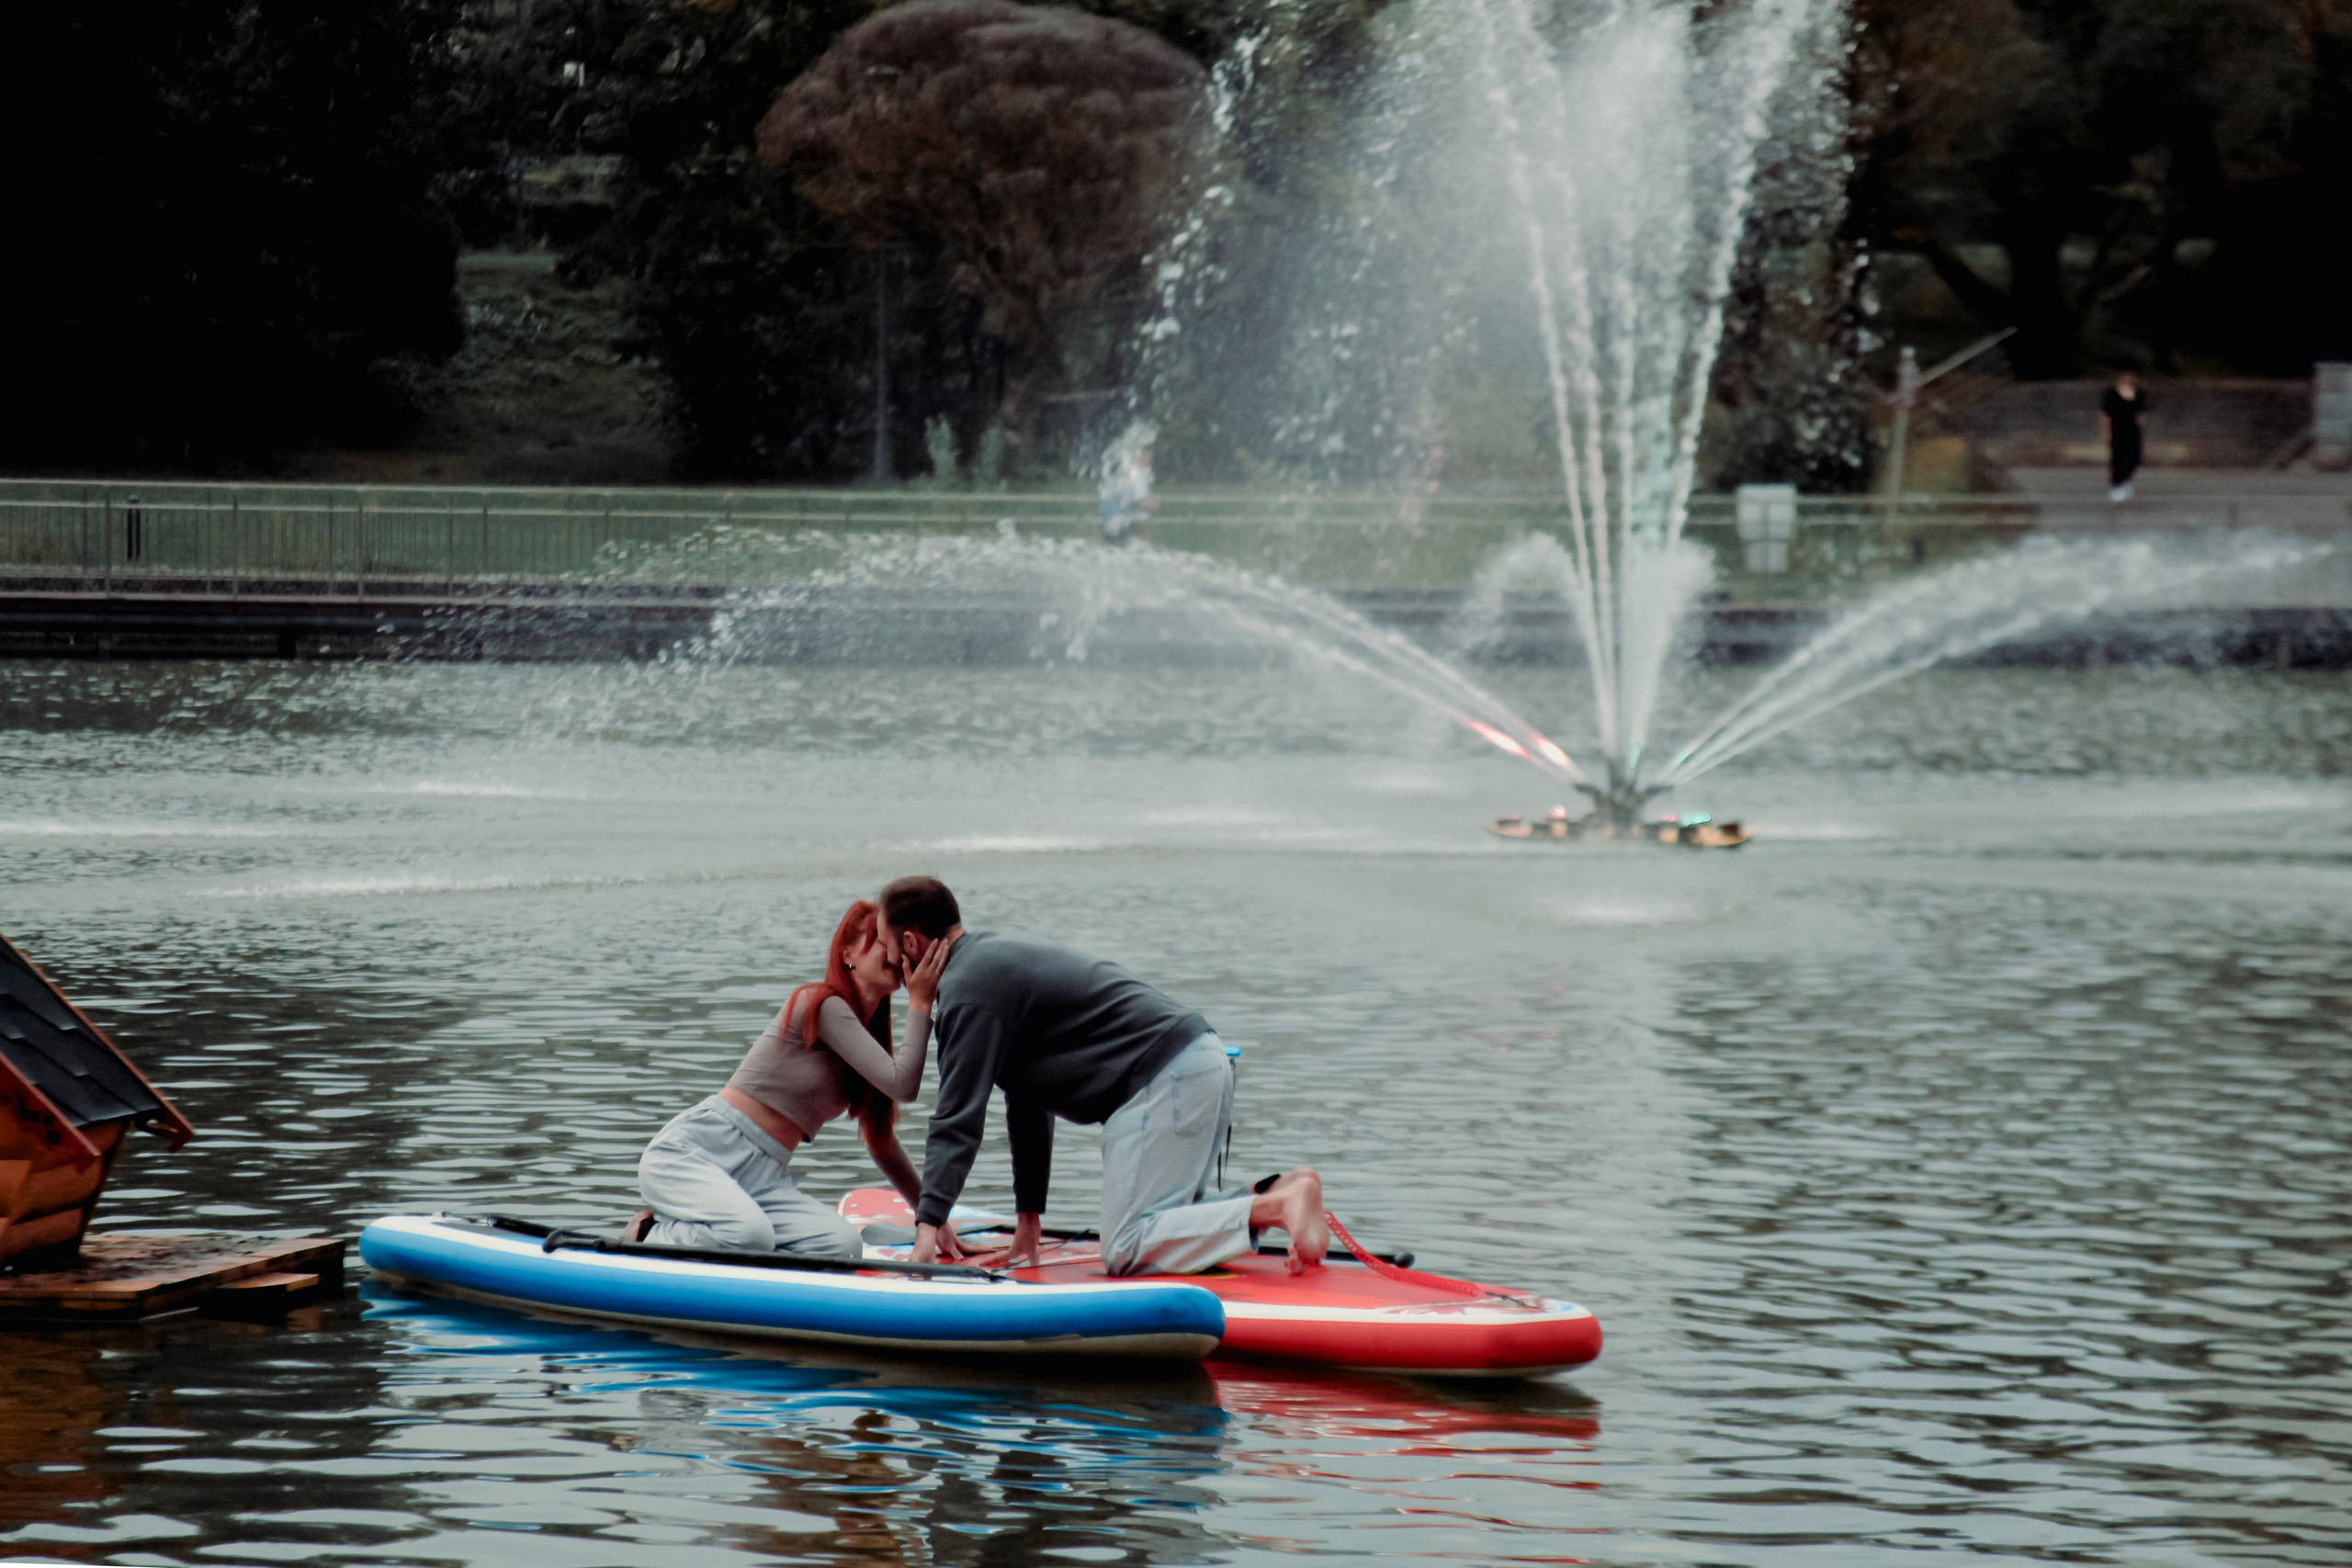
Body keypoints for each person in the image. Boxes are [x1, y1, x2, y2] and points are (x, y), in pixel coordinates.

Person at [875, 874, 1329, 1276]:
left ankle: (1278, 1206)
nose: (888, 961)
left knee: (1127, 1247)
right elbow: (1028, 1100)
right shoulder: (988, 962)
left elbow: (957, 1120)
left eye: (887, 946)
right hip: (1197, 1061)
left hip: (1161, 1077)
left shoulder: (966, 991)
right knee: (1169, 1223)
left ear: (911, 944)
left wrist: (926, 1229)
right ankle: (1280, 1191)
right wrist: (1029, 1220)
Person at [633, 901, 949, 1258]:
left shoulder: (866, 1043)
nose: (891, 952)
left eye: (894, 943)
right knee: (748, 1235)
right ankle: (648, 1233)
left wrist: (933, 1221)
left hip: (766, 1177)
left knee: (842, 1246)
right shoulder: (822, 1004)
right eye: (879, 940)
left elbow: (882, 1143)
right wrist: (921, 1001)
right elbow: (904, 1086)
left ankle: (735, 1249)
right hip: (700, 1150)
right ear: (847, 954)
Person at [2101, 371, 2148, 502]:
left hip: (2133, 430)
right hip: (2117, 429)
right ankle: (2116, 486)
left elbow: (2140, 414)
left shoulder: (2138, 394)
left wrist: (2142, 428)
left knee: (2135, 458)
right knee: (2118, 458)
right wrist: (2106, 432)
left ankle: (2125, 480)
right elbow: (2105, 416)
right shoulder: (2111, 394)